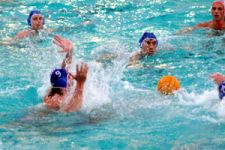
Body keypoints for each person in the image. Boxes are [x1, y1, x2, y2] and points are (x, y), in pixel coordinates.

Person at [43, 35, 88, 112]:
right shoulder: (55, 99)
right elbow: (71, 110)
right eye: (67, 77)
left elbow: (65, 67)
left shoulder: (57, 88)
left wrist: (70, 51)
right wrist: (80, 84)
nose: (70, 75)